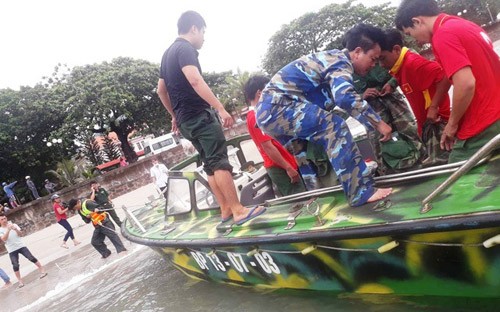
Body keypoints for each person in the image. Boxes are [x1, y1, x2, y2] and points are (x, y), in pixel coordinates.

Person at [256, 24, 393, 207]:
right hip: (278, 107)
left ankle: (317, 197)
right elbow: (344, 97)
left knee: (304, 150)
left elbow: (340, 101)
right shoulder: (340, 62)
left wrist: (369, 124)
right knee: (334, 127)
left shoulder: (330, 60)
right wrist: (378, 123)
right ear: (357, 52)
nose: (374, 65)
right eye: (373, 59)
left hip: (270, 113)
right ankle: (360, 192)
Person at [156, 10, 266, 225]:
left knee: (209, 164)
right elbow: (195, 80)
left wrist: (175, 115)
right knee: (220, 163)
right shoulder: (185, 49)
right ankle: (238, 210)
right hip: (200, 116)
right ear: (194, 28)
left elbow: (161, 91)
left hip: (186, 122)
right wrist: (219, 108)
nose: (204, 38)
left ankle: (225, 210)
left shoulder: (167, 54)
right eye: (203, 32)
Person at [395, 0, 500, 163]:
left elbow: (465, 84)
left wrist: (452, 125)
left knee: (455, 170)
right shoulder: (464, 25)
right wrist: (434, 105)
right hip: (495, 110)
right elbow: (448, 73)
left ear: (417, 21)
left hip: (485, 120)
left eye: (409, 33)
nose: (414, 40)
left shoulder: (443, 36)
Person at [378, 28, 451, 166]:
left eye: (383, 58)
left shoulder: (413, 64)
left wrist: (434, 107)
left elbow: (444, 75)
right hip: (427, 126)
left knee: (445, 166)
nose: (381, 65)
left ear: (396, 49)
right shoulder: (399, 68)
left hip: (438, 126)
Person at [353, 63, 425, 173]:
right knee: (380, 143)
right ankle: (388, 175)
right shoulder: (346, 69)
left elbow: (400, 69)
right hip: (371, 111)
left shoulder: (379, 54)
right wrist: (362, 95)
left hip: (393, 101)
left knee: (410, 132)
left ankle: (424, 164)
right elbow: (342, 97)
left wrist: (391, 84)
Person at [243, 75, 306, 196]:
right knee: (301, 199)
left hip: (285, 164)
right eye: (269, 90)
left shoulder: (262, 113)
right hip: (280, 167)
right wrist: (288, 168)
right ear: (259, 92)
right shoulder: (255, 116)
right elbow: (268, 147)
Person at [0, 213, 47, 288]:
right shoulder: (0, 230)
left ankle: (42, 270)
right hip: (11, 250)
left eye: (5, 218)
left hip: (21, 246)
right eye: (2, 219)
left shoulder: (14, 225)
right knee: (15, 265)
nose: (4, 220)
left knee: (31, 258)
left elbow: (21, 234)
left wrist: (15, 229)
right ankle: (20, 281)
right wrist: (8, 230)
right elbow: (4, 239)